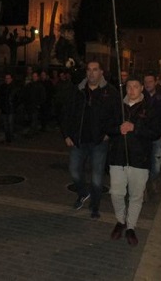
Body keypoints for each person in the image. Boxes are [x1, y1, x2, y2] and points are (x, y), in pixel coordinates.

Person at [61, 61, 120, 219]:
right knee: (74, 170)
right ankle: (82, 193)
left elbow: (117, 116)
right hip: (78, 140)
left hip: (99, 141)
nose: (91, 73)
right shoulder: (78, 90)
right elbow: (67, 113)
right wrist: (66, 134)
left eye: (95, 70)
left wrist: (109, 133)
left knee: (97, 176)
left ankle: (95, 206)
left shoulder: (110, 92)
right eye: (89, 70)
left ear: (101, 72)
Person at [108, 77, 160, 246]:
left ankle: (131, 226)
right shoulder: (118, 107)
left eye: (135, 87)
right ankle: (120, 220)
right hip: (118, 158)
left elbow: (155, 132)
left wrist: (135, 128)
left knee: (136, 196)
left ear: (142, 89)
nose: (131, 90)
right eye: (129, 87)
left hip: (139, 159)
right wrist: (118, 129)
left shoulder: (149, 108)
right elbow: (107, 126)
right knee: (116, 193)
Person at [0, 72, 19, 143]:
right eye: (6, 78)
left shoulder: (14, 88)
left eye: (8, 78)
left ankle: (10, 138)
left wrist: (14, 106)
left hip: (11, 108)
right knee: (5, 124)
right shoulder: (2, 87)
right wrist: (1, 106)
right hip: (4, 108)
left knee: (10, 124)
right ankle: (7, 137)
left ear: (11, 79)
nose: (7, 80)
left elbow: (17, 98)